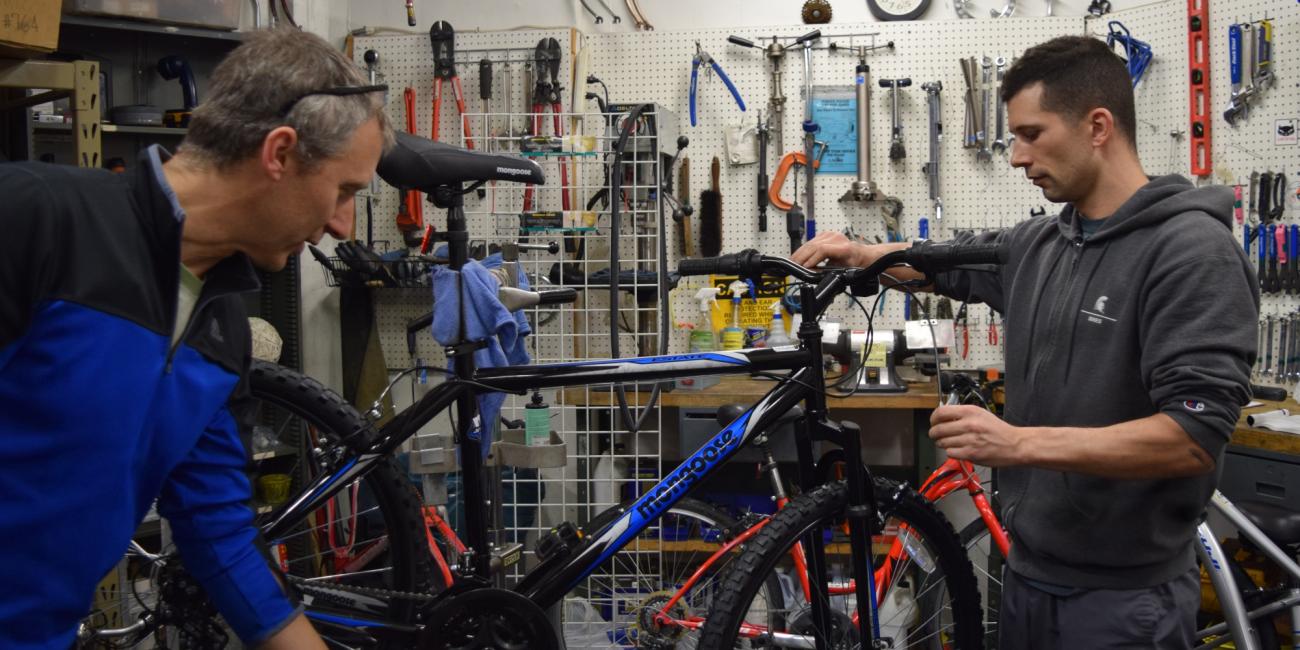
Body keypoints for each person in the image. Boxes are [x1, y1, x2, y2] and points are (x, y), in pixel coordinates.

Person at [794, 35, 1258, 648]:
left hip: (1124, 603)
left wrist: (1017, 443)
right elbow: (942, 262)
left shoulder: (1190, 252)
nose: (1016, 156)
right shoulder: (1044, 243)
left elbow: (1192, 439)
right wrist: (864, 255)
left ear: (1098, 127)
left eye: (1031, 134)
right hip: (1028, 581)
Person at [0, 28, 390, 648]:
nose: (341, 226)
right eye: (344, 191)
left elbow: (219, 531)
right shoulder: (34, 221)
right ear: (280, 154)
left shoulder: (221, 326)